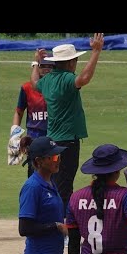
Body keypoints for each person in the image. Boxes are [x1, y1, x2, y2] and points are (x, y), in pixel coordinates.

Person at [30, 33, 105, 215]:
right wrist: (96, 51)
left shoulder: (47, 80)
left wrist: (35, 64)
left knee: (54, 181)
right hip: (67, 144)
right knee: (65, 185)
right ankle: (62, 223)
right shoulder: (66, 79)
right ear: (71, 63)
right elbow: (85, 78)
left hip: (52, 142)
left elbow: (34, 83)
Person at [8, 57, 55, 176]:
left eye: (50, 66)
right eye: (43, 66)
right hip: (34, 139)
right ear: (37, 68)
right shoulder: (27, 88)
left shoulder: (57, 87)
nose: (47, 69)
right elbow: (19, 112)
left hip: (54, 138)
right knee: (35, 173)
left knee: (54, 173)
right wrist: (14, 136)